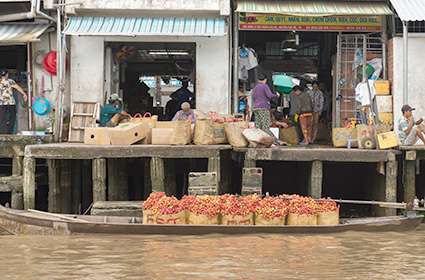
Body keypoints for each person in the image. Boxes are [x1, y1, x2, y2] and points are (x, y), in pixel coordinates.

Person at [0, 69, 28, 134]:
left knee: (2, 118)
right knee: (12, 117)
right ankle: (9, 132)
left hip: (1, 103)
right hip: (11, 102)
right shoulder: (10, 81)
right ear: (7, 74)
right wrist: (24, 94)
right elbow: (18, 88)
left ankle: (2, 132)